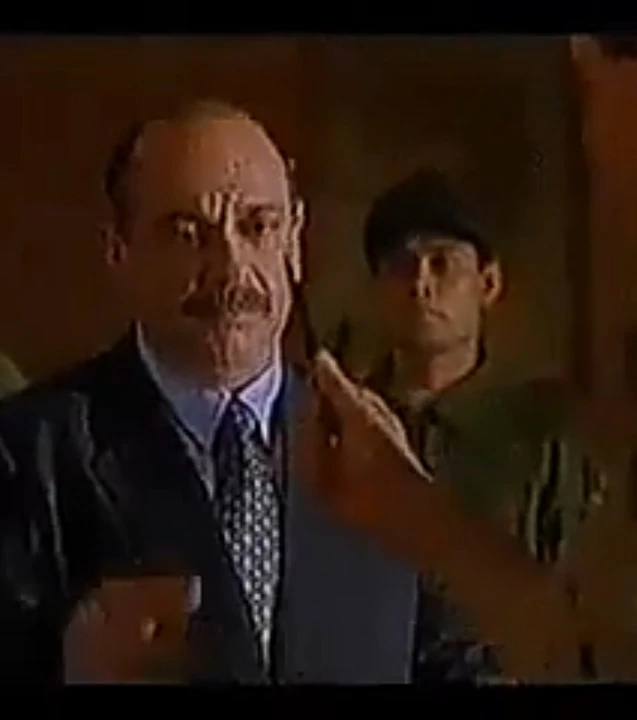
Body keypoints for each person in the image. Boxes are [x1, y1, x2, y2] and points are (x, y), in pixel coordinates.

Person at [0, 99, 498, 685]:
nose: (232, 269)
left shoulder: (377, 446)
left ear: (294, 241)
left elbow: (455, 661)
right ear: (119, 251)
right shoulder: (29, 456)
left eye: (258, 227)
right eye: (188, 234)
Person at [362, 169, 606, 568]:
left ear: (488, 283)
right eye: (402, 266)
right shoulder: (343, 425)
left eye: (442, 264)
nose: (421, 285)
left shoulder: (542, 438)